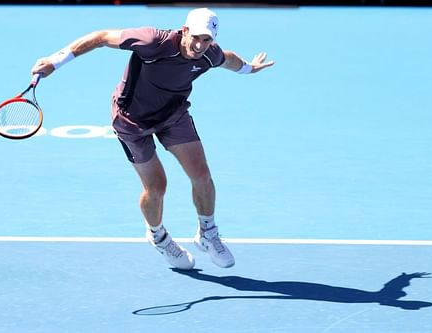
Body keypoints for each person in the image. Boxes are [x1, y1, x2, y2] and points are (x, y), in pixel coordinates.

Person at [32, 8, 274, 270]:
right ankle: (158, 236)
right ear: (184, 31)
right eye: (196, 37)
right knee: (157, 186)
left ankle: (208, 233)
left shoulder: (208, 54)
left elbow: (228, 60)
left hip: (173, 115)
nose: (200, 45)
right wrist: (55, 61)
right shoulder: (151, 42)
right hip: (131, 121)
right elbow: (101, 36)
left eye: (206, 40)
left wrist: (250, 68)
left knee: (202, 175)